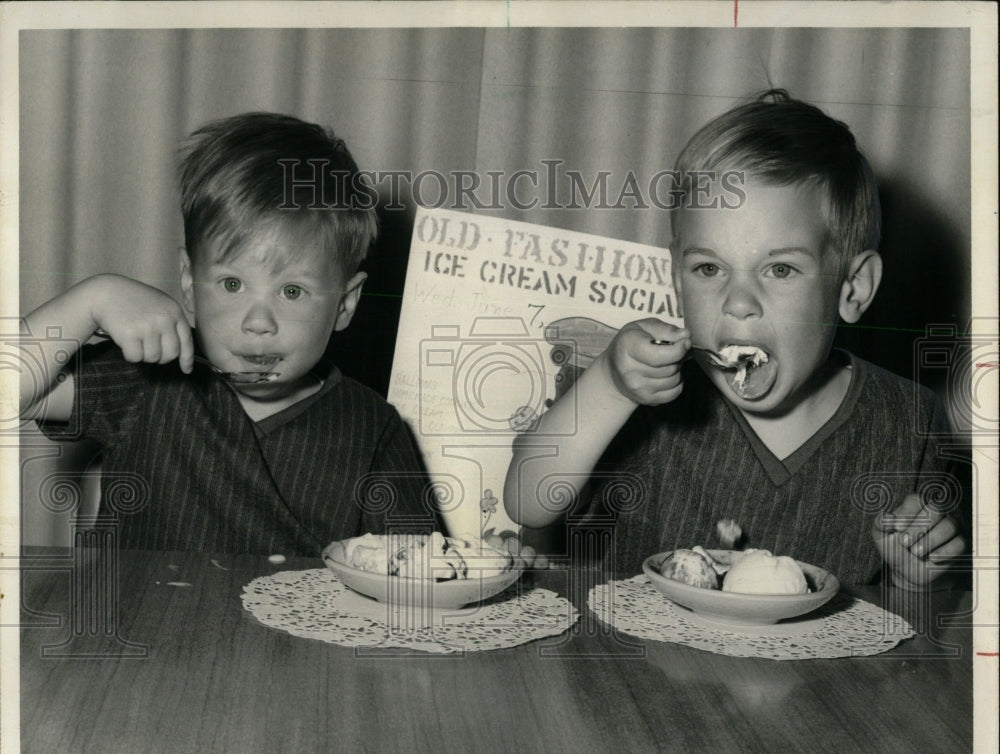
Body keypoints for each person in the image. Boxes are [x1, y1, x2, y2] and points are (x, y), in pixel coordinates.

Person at [504, 90, 967, 590]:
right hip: (632, 664)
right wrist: (609, 387)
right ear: (678, 280)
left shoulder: (907, 422)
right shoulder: (638, 392)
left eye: (781, 269)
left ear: (852, 289)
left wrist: (912, 577)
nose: (738, 301)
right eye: (709, 268)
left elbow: (904, 638)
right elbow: (527, 500)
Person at [20, 112, 441, 555]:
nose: (258, 322)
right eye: (232, 284)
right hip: (138, 623)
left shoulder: (373, 428)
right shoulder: (147, 381)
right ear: (188, 284)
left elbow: (416, 579)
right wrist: (92, 299)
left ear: (344, 304)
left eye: (292, 291)